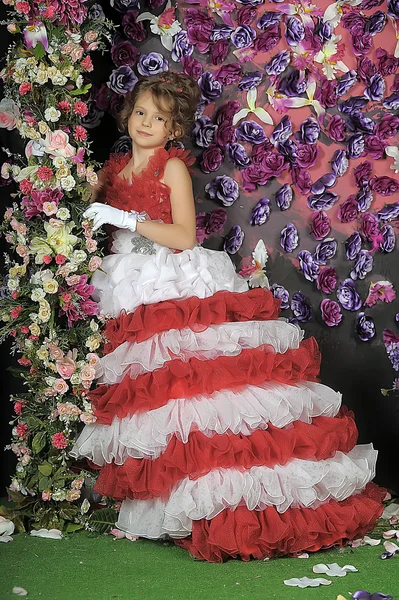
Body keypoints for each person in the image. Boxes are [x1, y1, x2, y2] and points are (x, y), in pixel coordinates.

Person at [71, 71, 384, 562]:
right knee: (157, 398)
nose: (146, 123)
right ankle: (172, 501)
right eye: (139, 112)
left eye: (159, 117)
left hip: (170, 278)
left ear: (174, 129)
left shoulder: (170, 169)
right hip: (127, 284)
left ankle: (226, 500)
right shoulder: (116, 169)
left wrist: (127, 220)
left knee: (196, 386)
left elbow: (184, 237)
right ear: (127, 115)